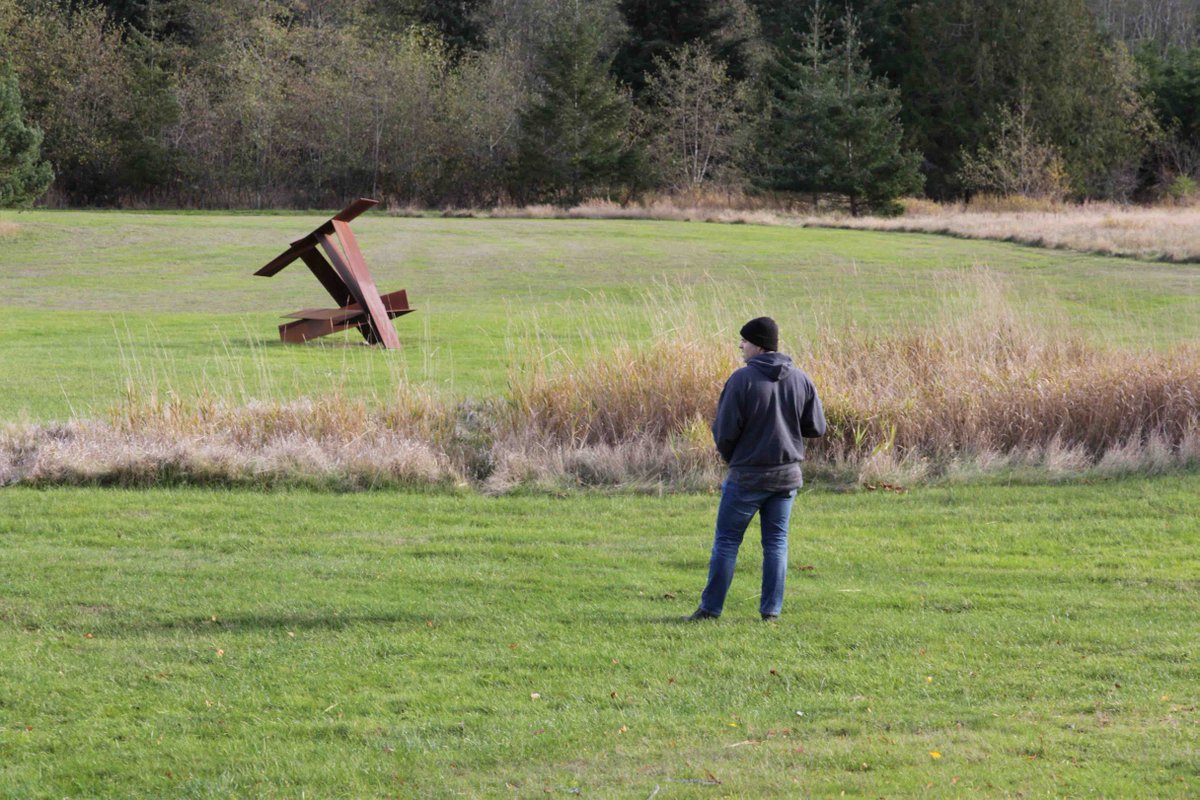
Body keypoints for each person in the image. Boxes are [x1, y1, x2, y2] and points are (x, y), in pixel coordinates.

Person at [686, 316, 826, 622]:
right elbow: (816, 426)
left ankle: (710, 609)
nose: (740, 345)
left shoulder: (741, 380)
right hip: (787, 476)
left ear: (759, 346)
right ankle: (771, 612)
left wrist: (732, 456)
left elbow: (724, 431)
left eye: (745, 341)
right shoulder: (801, 379)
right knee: (776, 543)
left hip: (747, 476)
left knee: (727, 541)